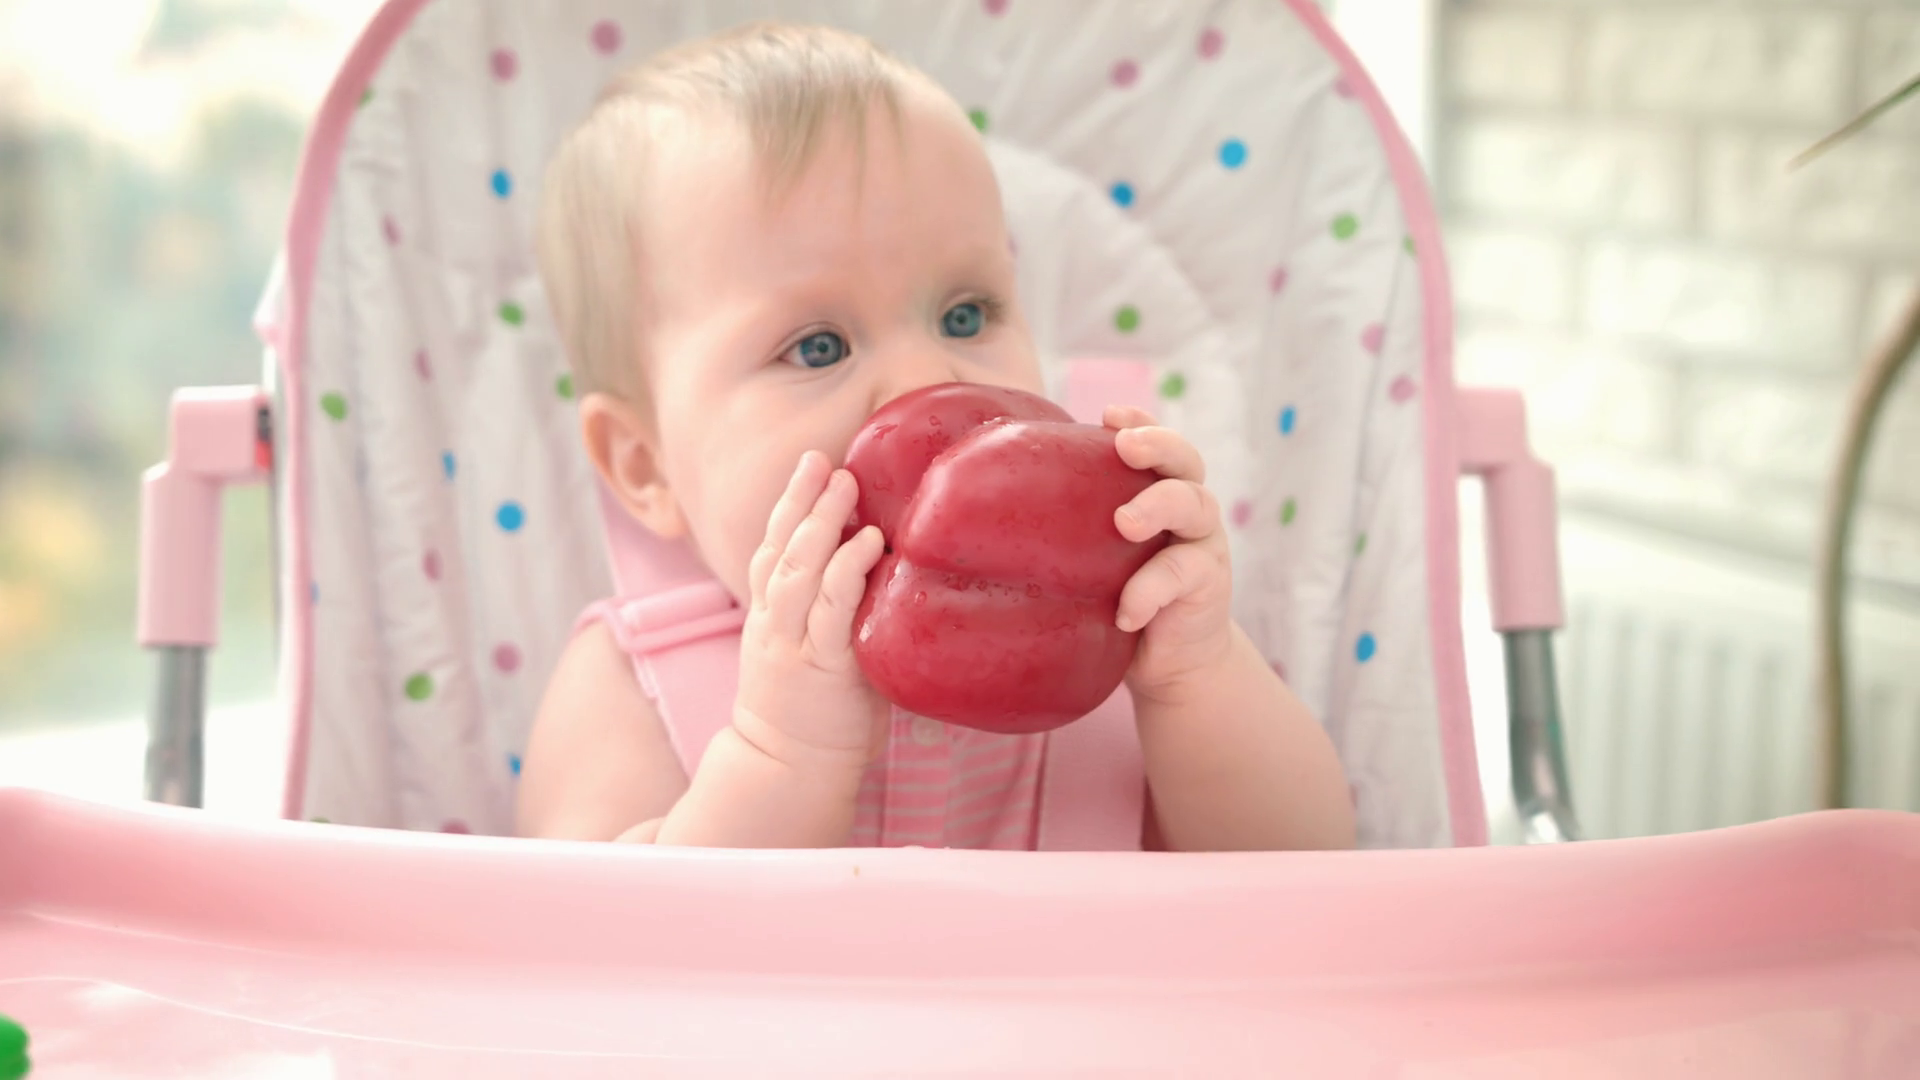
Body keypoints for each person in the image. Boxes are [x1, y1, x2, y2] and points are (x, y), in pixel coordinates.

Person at [516, 21, 1354, 852]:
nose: (929, 383)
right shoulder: (637, 683)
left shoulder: (1123, 642)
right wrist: (783, 757)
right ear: (644, 466)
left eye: (965, 314)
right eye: (818, 347)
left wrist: (1196, 679)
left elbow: (1307, 874)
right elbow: (596, 954)